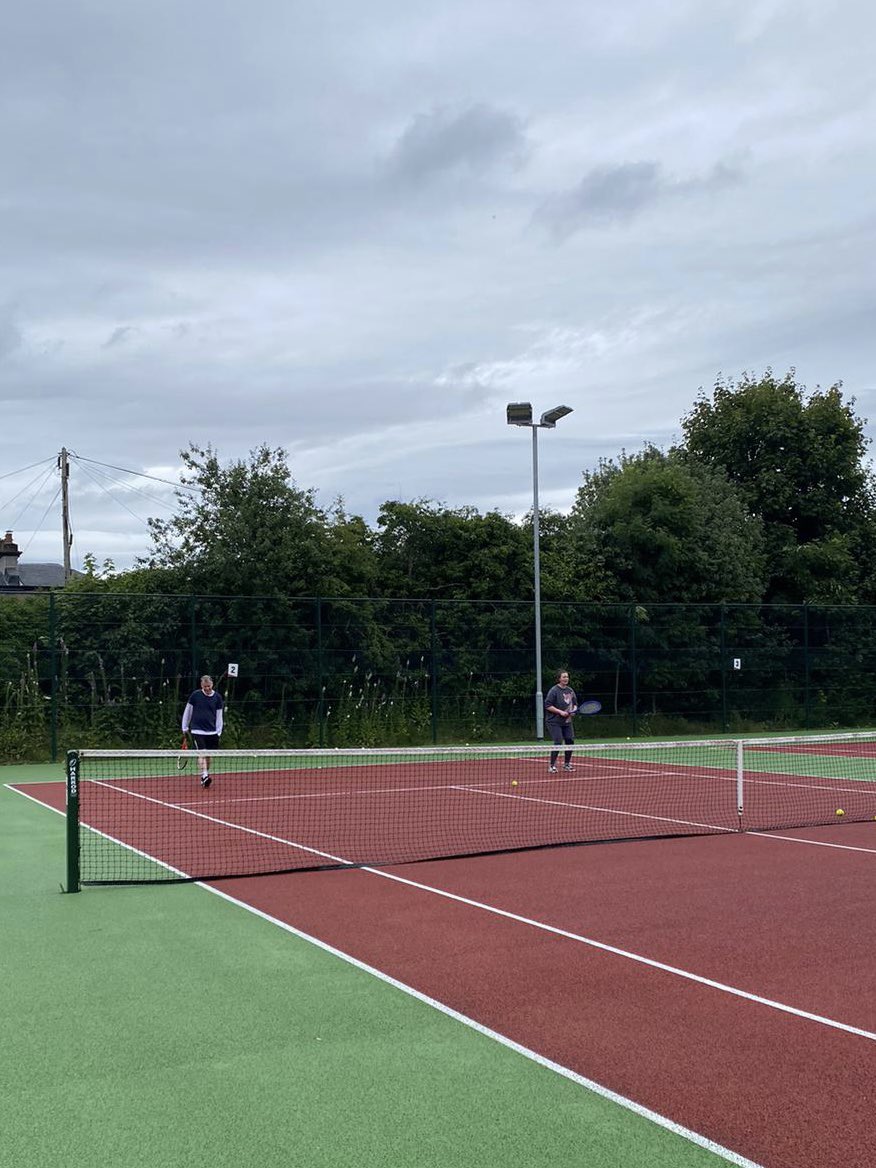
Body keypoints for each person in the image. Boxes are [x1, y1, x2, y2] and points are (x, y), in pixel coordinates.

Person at [182, 674, 224, 787]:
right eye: (205, 686)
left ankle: (204, 776)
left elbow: (219, 715)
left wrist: (218, 732)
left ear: (212, 685)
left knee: (208, 755)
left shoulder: (218, 698)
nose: (207, 688)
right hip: (197, 731)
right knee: (201, 753)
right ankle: (205, 775)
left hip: (212, 732)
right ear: (201, 685)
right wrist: (184, 727)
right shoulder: (195, 696)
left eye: (209, 686)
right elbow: (188, 711)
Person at [544, 669, 577, 774]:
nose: (566, 679)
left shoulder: (570, 691)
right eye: (564, 677)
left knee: (570, 740)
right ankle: (552, 765)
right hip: (553, 721)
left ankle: (567, 764)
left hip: (567, 721)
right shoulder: (554, 691)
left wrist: (573, 711)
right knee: (558, 741)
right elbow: (548, 705)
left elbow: (575, 704)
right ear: (559, 679)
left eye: (567, 677)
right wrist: (560, 712)